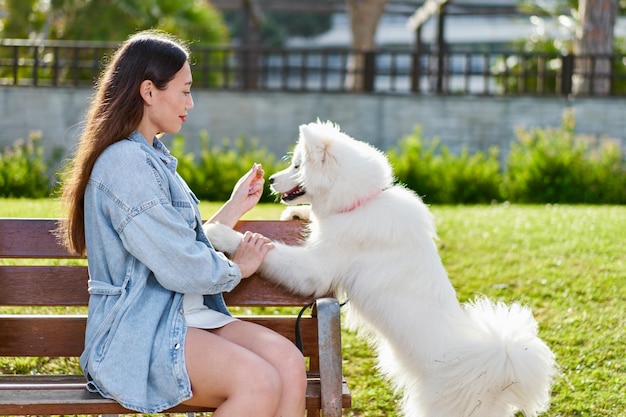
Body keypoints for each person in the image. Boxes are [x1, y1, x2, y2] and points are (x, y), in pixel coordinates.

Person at [56, 29, 307, 417]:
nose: (191, 102)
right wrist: (237, 268)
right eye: (184, 90)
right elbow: (178, 263)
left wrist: (233, 208)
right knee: (258, 382)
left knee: (288, 364)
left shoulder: (150, 157)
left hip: (183, 316)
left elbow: (174, 243)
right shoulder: (125, 165)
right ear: (149, 92)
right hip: (141, 331)